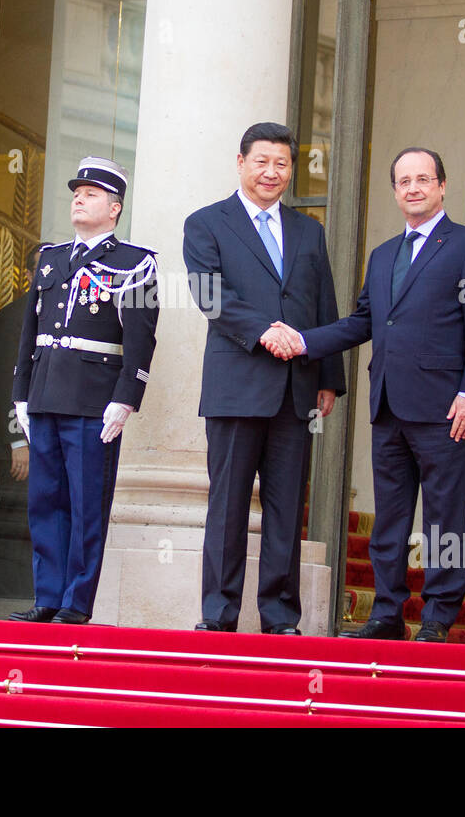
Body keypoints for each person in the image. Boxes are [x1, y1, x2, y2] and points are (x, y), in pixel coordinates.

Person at [266, 147, 465, 642]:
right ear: (394, 191)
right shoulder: (384, 254)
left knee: (444, 516)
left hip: (446, 408)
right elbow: (361, 323)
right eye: (403, 181)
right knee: (390, 518)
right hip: (388, 404)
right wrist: (305, 341)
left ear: (441, 186)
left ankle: (437, 616)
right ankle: (386, 615)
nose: (413, 188)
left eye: (423, 179)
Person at [183, 122, 345, 635]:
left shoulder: (308, 231)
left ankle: (279, 618)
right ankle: (218, 615)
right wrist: (263, 332)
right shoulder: (207, 222)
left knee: (284, 511)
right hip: (236, 388)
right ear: (240, 162)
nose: (272, 172)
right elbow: (209, 295)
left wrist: (330, 378)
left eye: (281, 164)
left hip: (296, 392)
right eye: (262, 162)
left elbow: (323, 305)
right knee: (227, 507)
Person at [9, 157, 158, 624]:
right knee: (45, 502)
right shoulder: (51, 258)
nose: (79, 197)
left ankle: (75, 603)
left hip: (95, 401)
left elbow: (140, 337)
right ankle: (47, 597)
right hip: (47, 392)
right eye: (77, 191)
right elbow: (30, 331)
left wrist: (126, 397)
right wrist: (20, 392)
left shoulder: (136, 262)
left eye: (91, 193)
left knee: (86, 504)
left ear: (114, 208)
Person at [0, 244, 46, 599]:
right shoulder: (14, 315)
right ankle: (3, 595)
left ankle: (29, 595)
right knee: (13, 518)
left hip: (45, 441)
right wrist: (19, 441)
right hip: (16, 444)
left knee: (35, 521)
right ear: (29, 276)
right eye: (42, 270)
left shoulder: (56, 315)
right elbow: (6, 382)